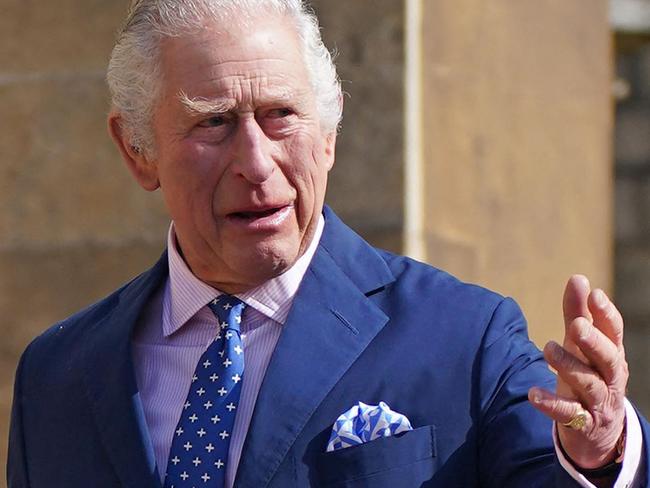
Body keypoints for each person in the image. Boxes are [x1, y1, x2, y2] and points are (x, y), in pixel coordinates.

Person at [7, 1, 649, 487]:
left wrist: (603, 450)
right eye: (214, 122)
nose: (256, 164)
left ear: (329, 133)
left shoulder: (464, 337)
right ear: (137, 151)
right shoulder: (56, 376)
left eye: (280, 115)